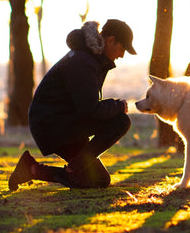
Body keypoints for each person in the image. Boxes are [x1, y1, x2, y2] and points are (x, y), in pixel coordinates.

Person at [8, 19, 137, 191]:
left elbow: (85, 106)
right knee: (121, 121)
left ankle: (31, 169)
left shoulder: (91, 59)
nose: (121, 55)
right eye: (122, 49)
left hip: (63, 122)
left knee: (99, 180)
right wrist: (118, 106)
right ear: (111, 40)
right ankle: (73, 169)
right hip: (53, 125)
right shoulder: (84, 62)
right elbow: (89, 110)